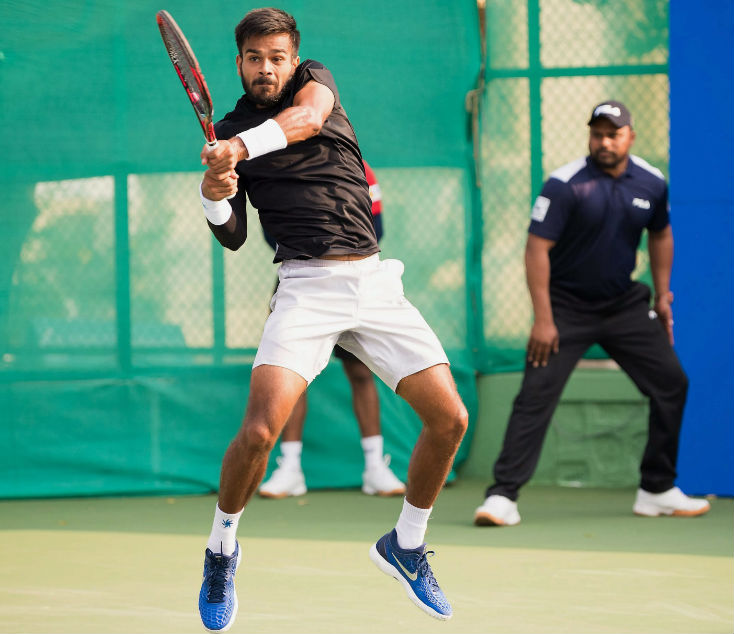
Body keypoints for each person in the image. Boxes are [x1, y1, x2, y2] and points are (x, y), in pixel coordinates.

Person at [195, 9, 468, 630]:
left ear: (295, 60)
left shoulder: (315, 85)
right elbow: (234, 236)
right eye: (255, 58)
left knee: (450, 419)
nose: (267, 68)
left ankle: (405, 544)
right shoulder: (230, 129)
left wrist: (238, 149)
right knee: (259, 432)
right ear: (238, 64)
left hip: (373, 282)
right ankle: (221, 550)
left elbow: (309, 120)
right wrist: (214, 192)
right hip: (304, 289)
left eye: (277, 57)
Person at [473, 101, 711, 527]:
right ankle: (502, 497)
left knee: (672, 384)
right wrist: (543, 318)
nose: (604, 142)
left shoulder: (652, 182)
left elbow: (661, 234)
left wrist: (662, 296)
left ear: (630, 136)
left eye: (613, 134)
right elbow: (536, 248)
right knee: (535, 396)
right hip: (565, 308)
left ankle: (656, 489)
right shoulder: (564, 185)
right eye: (597, 134)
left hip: (624, 305)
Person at [258, 160, 408, 499]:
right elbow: (272, 229)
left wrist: (337, 253)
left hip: (355, 281)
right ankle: (290, 469)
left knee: (361, 373)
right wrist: (312, 254)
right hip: (301, 283)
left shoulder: (360, 167)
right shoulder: (279, 166)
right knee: (290, 377)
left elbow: (376, 227)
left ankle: (375, 468)